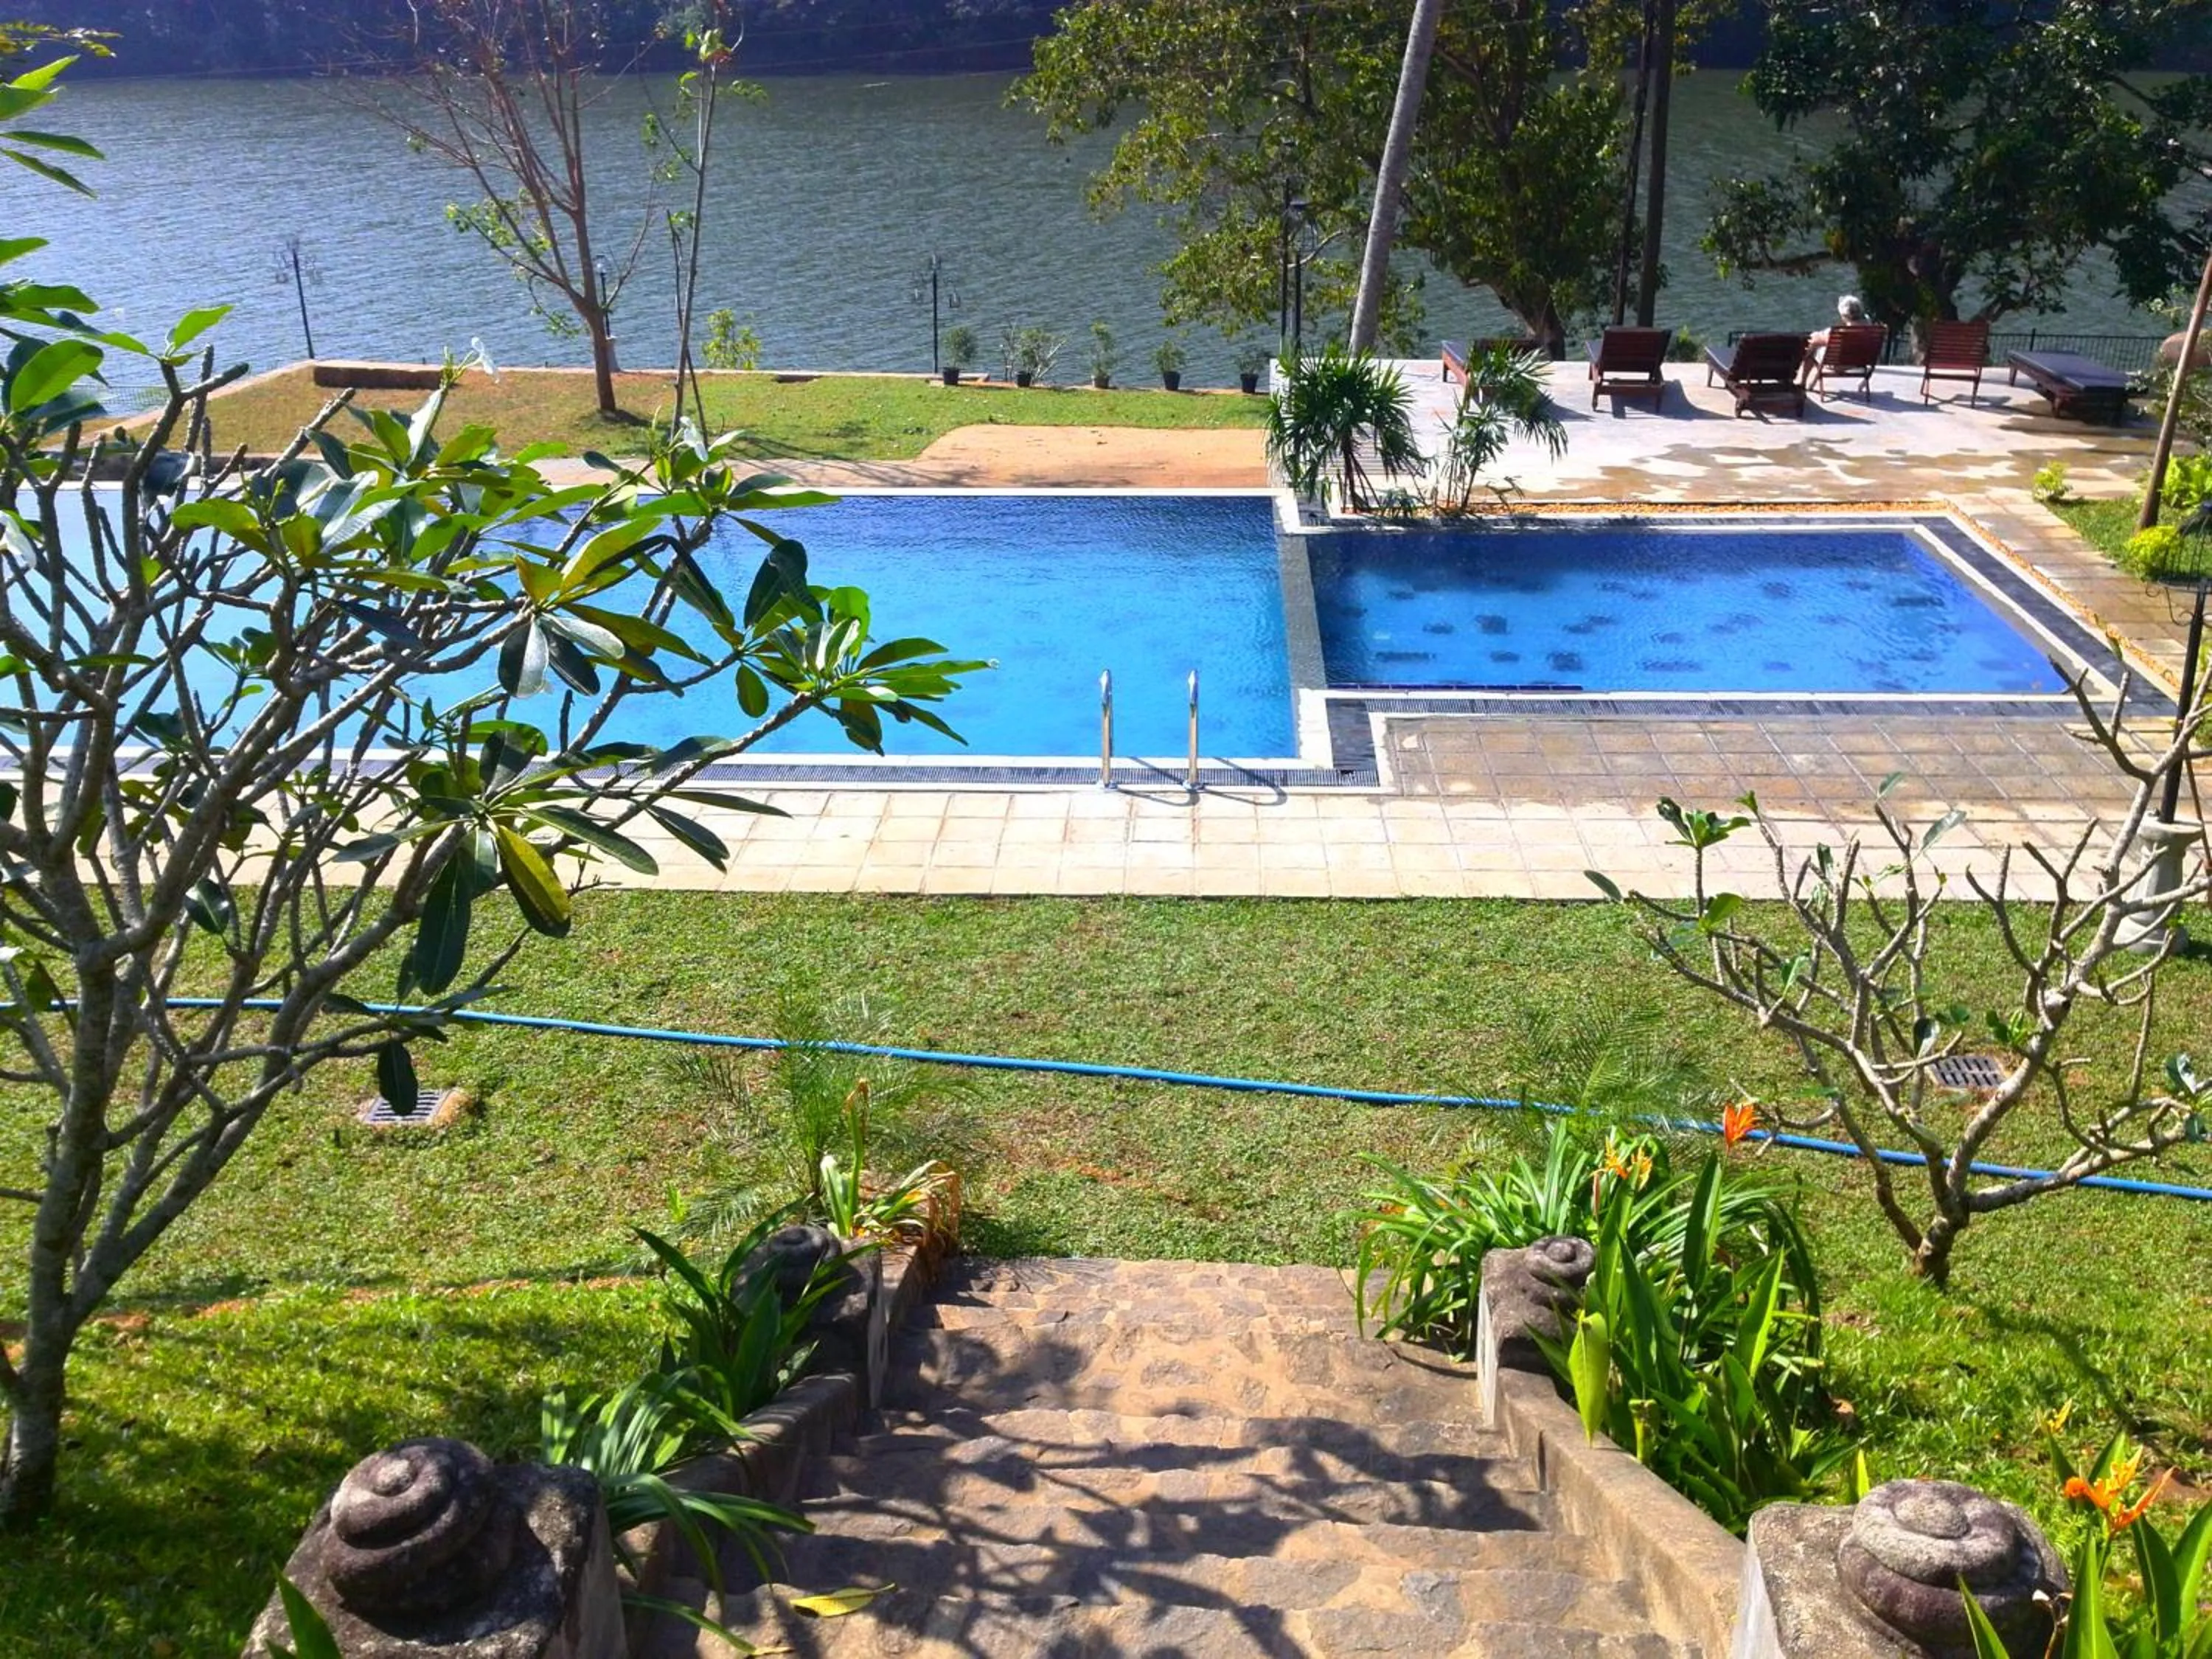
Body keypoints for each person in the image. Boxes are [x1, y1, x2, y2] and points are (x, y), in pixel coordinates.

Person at [1803, 295, 1876, 384]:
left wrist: (1817, 336)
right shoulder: (1869, 326)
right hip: (1860, 362)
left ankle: (1802, 382)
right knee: (1819, 341)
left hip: (1839, 365)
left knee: (1814, 347)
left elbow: (1817, 341)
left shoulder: (1842, 333)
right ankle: (1809, 381)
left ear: (1844, 315)